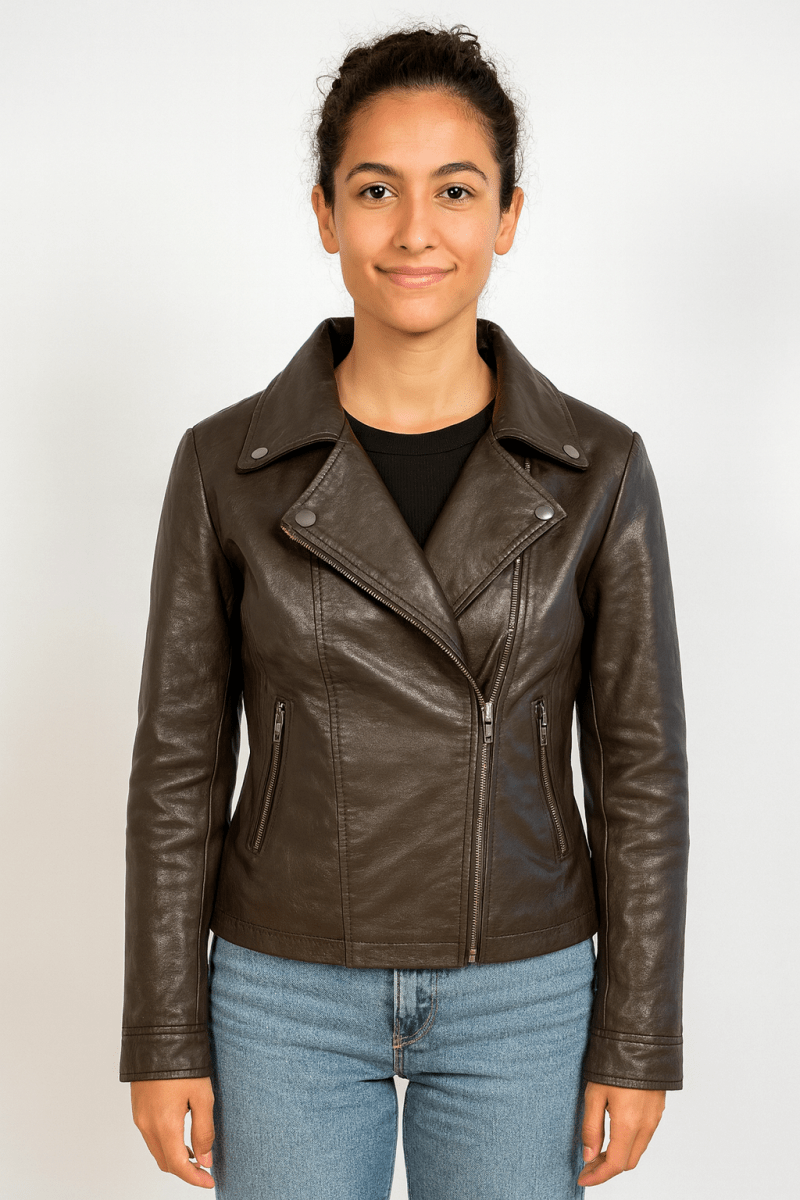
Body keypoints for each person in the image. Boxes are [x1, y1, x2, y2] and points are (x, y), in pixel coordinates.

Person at [120, 23, 689, 1200]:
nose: (415, 230)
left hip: (521, 986)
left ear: (507, 216)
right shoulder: (227, 466)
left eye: (456, 191)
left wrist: (635, 1037)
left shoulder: (597, 471)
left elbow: (639, 774)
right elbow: (177, 766)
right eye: (376, 190)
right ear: (325, 214)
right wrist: (164, 1031)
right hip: (282, 985)